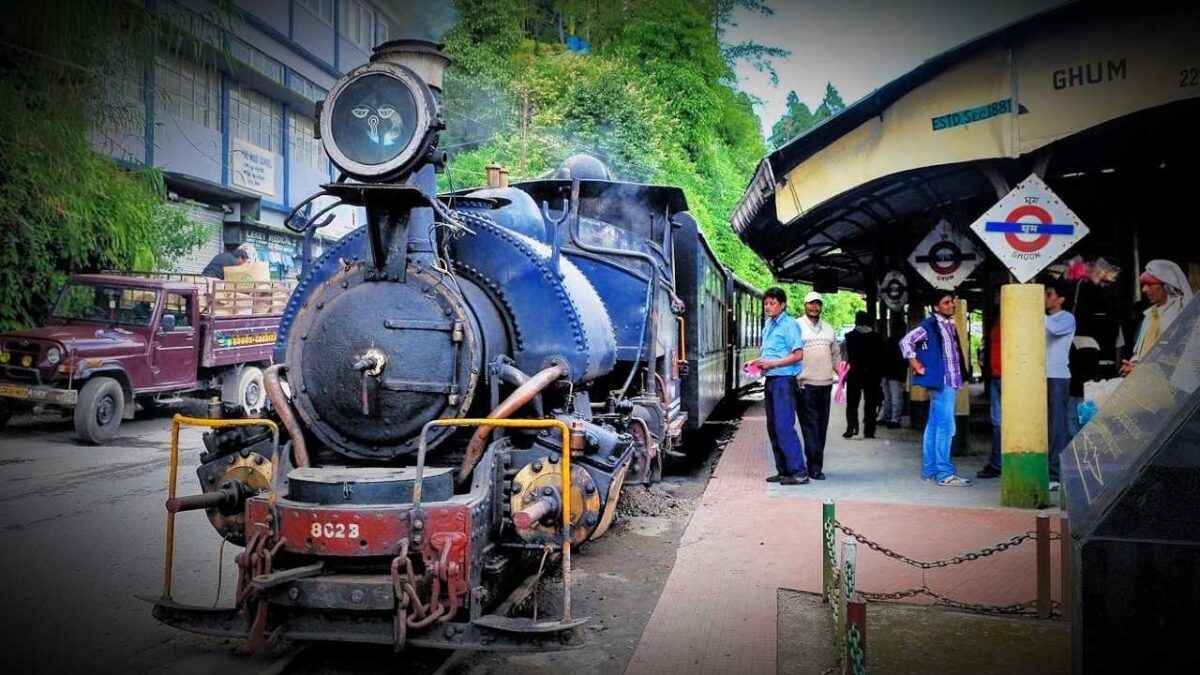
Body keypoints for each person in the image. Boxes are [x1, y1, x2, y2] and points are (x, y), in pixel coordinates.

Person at [900, 290, 971, 487]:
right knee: (946, 428)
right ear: (936, 307)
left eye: (952, 302)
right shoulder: (930, 325)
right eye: (946, 302)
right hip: (943, 382)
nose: (951, 305)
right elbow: (906, 341)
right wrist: (915, 364)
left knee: (933, 426)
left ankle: (930, 470)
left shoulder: (948, 325)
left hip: (949, 380)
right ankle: (945, 473)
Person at [748, 288, 809, 486]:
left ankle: (799, 472)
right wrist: (756, 362)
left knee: (784, 427)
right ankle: (783, 471)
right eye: (766, 303)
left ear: (782, 305)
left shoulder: (789, 325)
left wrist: (772, 364)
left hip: (784, 381)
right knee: (773, 427)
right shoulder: (768, 325)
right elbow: (772, 354)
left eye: (772, 303)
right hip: (772, 380)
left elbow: (798, 354)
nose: (768, 307)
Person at [1120, 259, 1194, 376]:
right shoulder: (1150, 314)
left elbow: (1178, 359)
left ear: (1167, 286)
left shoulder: (1181, 314)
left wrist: (1140, 371)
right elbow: (1142, 351)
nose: (1144, 289)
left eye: (1149, 284)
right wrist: (1133, 364)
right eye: (1144, 285)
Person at [796, 291, 840, 480]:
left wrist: (843, 373)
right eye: (810, 304)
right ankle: (814, 467)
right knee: (810, 426)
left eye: (817, 304)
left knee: (821, 426)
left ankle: (816, 464)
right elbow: (791, 353)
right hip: (805, 385)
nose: (814, 307)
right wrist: (795, 378)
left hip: (826, 384)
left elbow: (835, 355)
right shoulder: (796, 326)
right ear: (804, 305)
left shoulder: (829, 329)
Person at [1045, 280, 1076, 491]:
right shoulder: (1043, 318)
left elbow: (1054, 330)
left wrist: (1032, 308)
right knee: (1043, 427)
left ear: (1061, 299)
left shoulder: (1067, 318)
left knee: (1058, 426)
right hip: (1040, 376)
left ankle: (1057, 474)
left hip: (1057, 376)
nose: (1045, 297)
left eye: (1048, 294)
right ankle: (1048, 470)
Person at [843, 310, 885, 439]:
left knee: (852, 403)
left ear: (856, 320)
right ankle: (869, 430)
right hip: (872, 374)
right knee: (870, 403)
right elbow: (881, 358)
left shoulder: (849, 336)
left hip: (855, 373)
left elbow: (845, 357)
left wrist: (843, 375)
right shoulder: (877, 337)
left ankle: (852, 427)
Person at [976, 318, 1003, 478]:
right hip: (996, 376)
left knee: (1000, 423)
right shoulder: (997, 323)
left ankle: (997, 463)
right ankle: (997, 461)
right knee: (998, 423)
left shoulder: (1016, 318)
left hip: (1008, 376)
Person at [878, 319, 908, 429]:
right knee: (895, 397)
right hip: (896, 373)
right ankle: (894, 418)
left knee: (889, 397)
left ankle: (887, 417)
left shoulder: (889, 341)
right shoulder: (904, 342)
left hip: (888, 372)